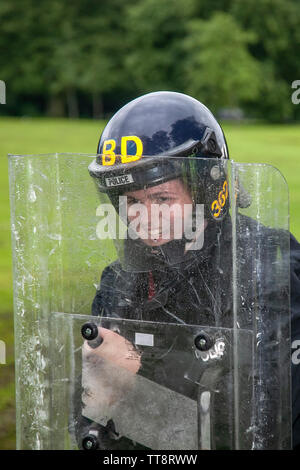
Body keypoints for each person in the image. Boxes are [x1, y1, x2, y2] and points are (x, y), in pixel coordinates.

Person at [75, 91, 300, 450]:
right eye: (132, 201)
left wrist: (129, 390)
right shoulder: (120, 281)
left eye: (161, 198)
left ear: (208, 191)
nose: (143, 219)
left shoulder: (265, 264)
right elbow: (89, 430)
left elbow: (260, 428)